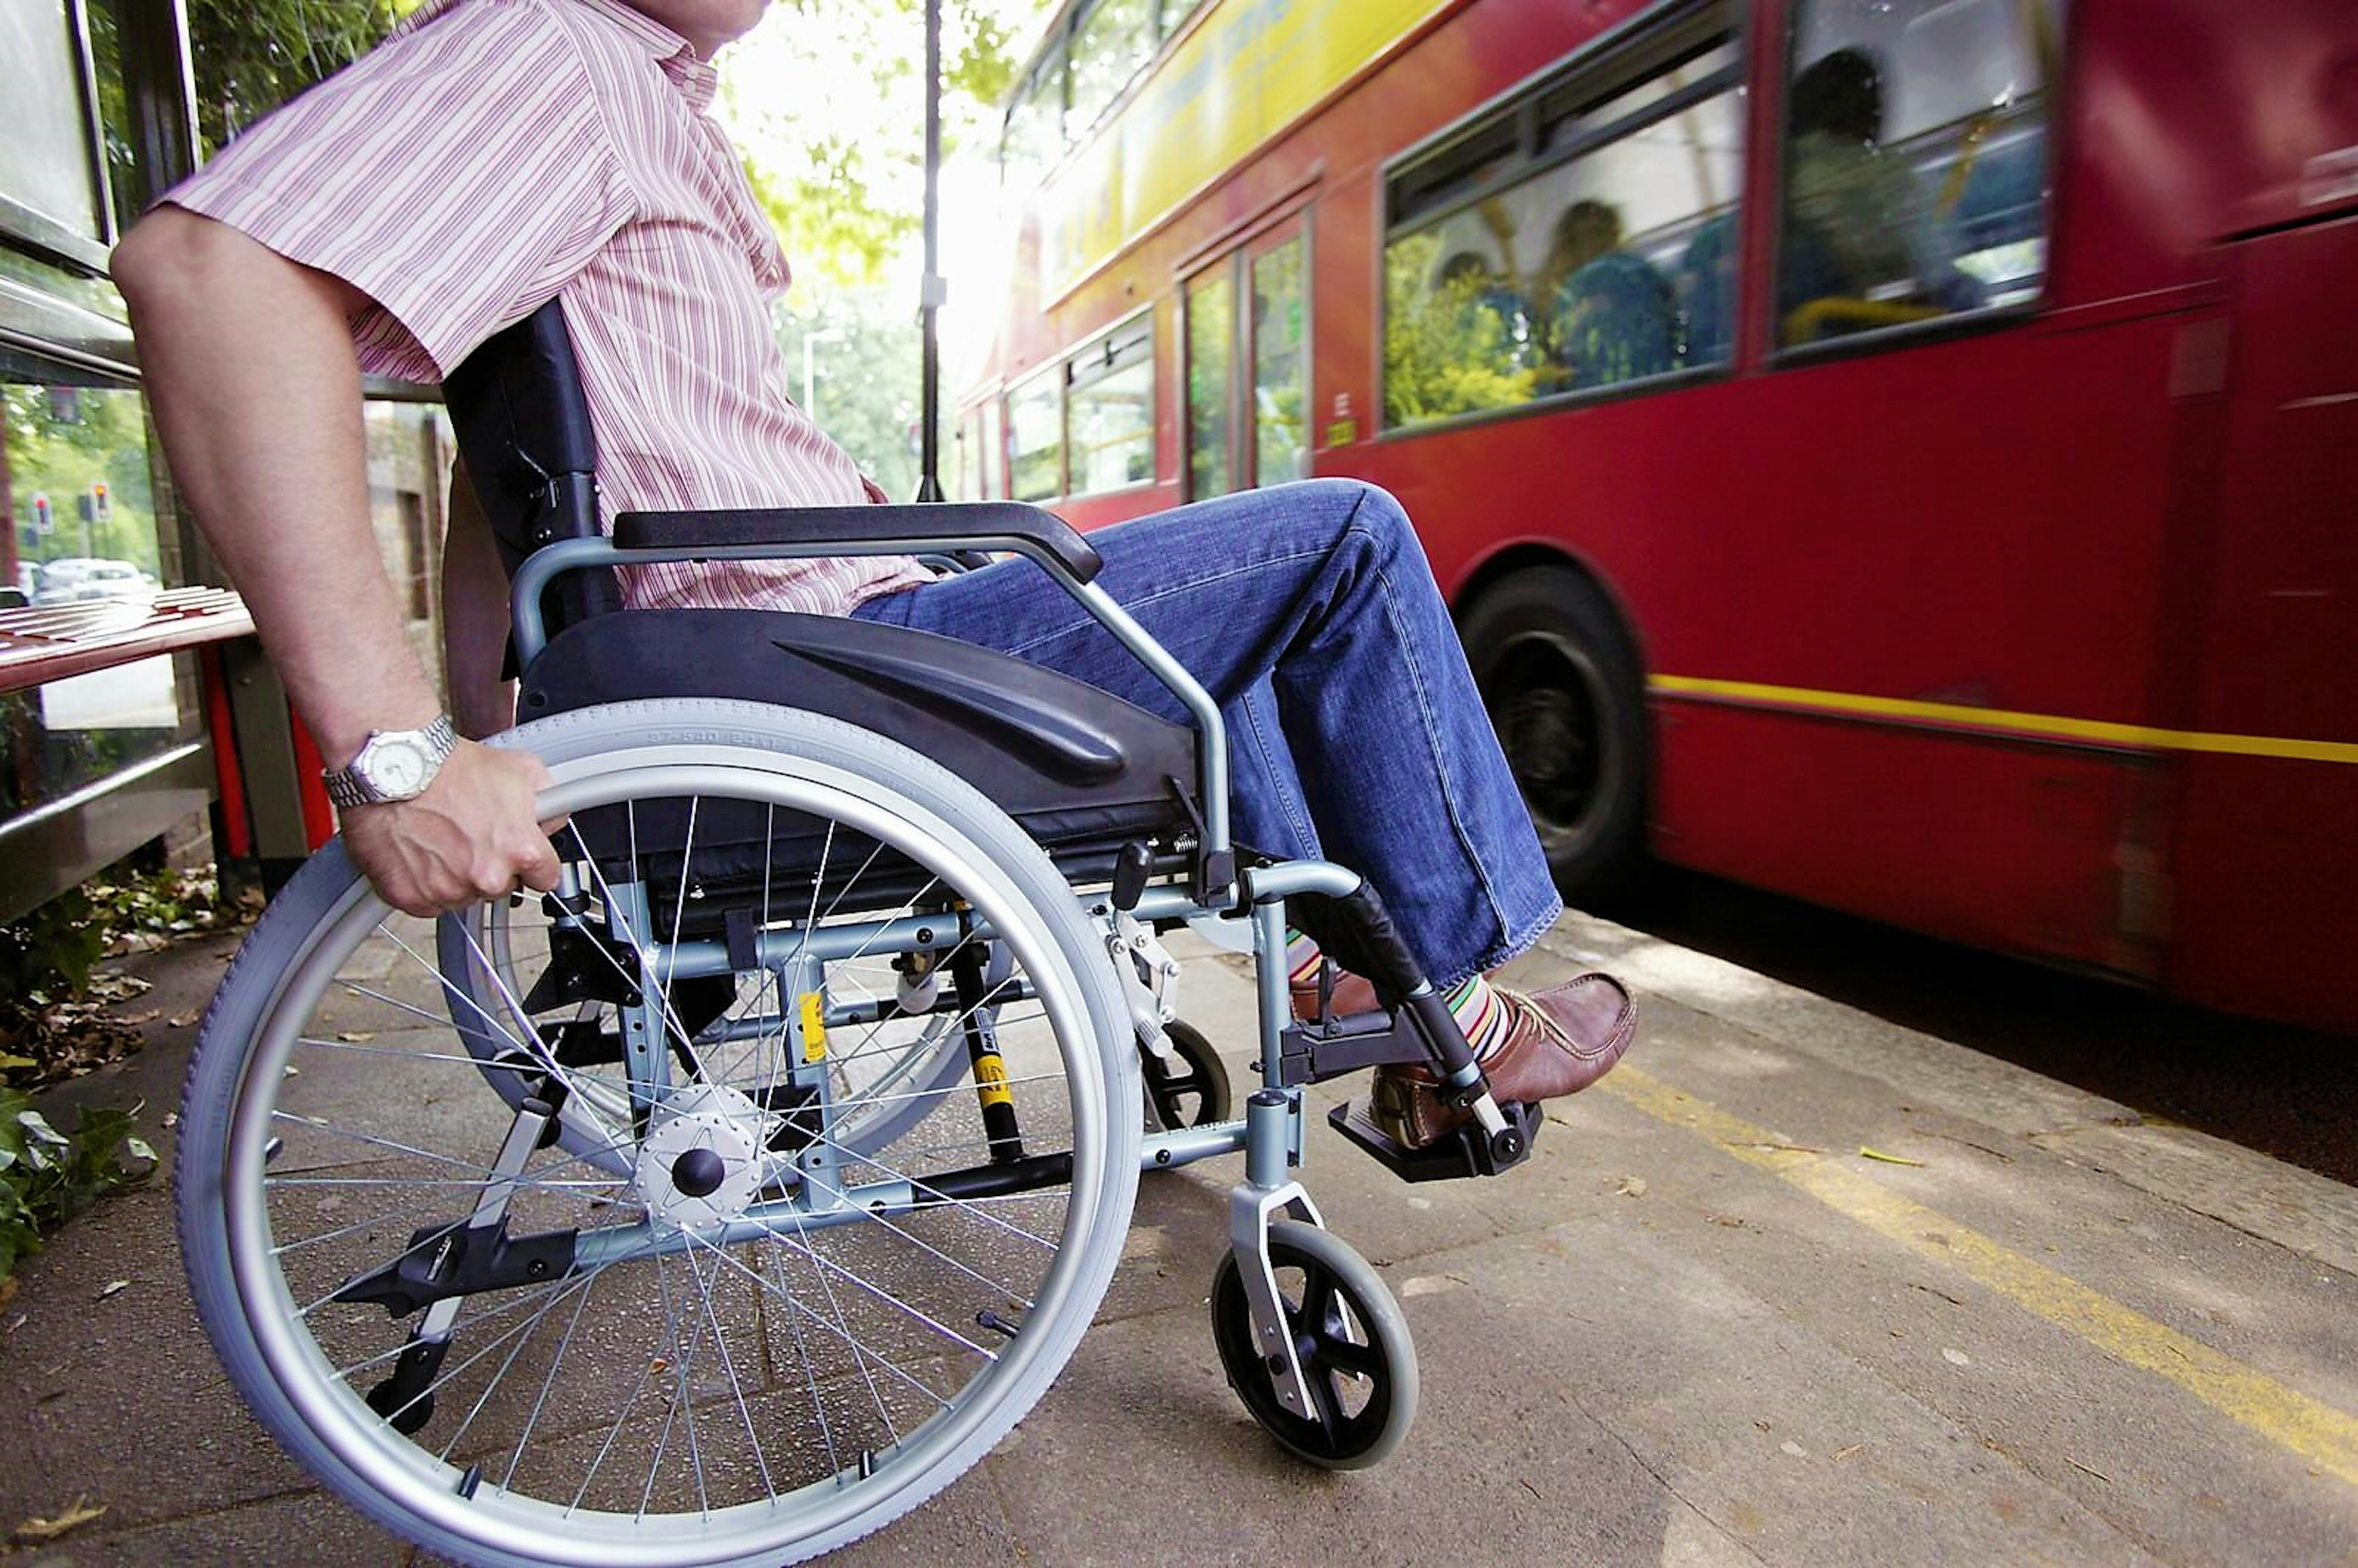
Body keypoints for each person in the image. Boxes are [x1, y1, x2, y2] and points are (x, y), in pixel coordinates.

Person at [110, 0, 1633, 1149]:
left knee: (1216, 628)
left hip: (795, 662)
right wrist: (401, 757)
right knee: (1343, 541)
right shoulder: (557, 56)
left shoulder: (612, 90)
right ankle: (1459, 1002)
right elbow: (208, 270)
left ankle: (1360, 973)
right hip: (825, 675)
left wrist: (511, 732)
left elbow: (509, 504)